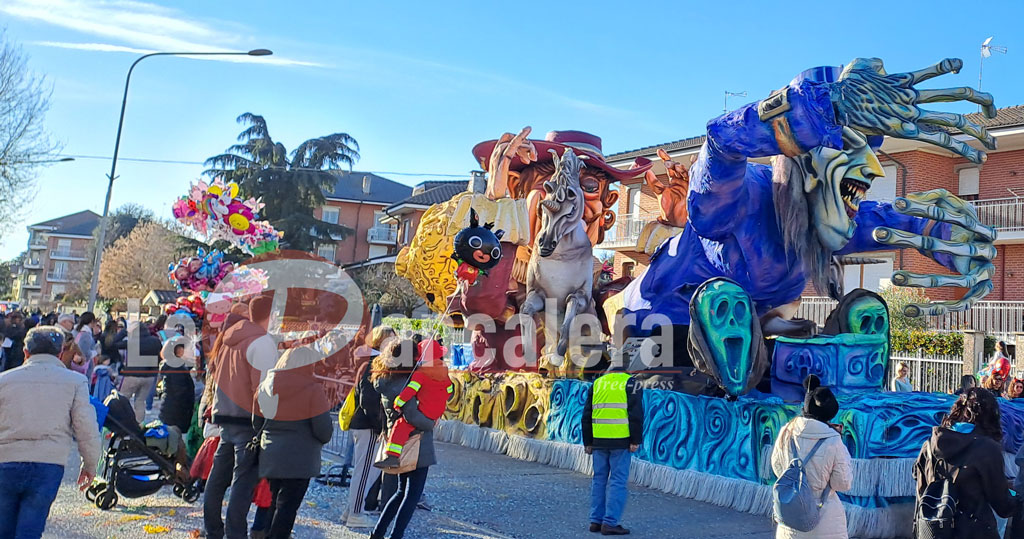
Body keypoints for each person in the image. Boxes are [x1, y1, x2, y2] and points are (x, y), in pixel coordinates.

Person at [0, 326, 101, 538]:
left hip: (6, 459)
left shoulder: (4, 380)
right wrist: (90, 464)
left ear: (25, 352)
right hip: (49, 462)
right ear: (60, 353)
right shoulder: (75, 382)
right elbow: (86, 426)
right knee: (31, 525)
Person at [204, 295, 277, 539]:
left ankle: (213, 529)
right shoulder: (260, 342)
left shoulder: (227, 340)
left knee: (218, 478)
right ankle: (235, 534)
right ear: (270, 315)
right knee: (242, 483)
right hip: (248, 420)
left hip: (224, 415)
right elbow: (262, 389)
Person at [913, 387, 1020, 538]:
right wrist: (1017, 496)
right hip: (974, 531)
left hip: (933, 531)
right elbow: (1003, 506)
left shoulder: (930, 445)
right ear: (990, 416)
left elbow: (921, 488)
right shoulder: (987, 449)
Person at [254, 346, 333, 538]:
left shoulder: (265, 385)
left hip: (271, 453)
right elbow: (323, 430)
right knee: (288, 507)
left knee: (272, 502)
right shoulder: (313, 389)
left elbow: (256, 423)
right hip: (301, 456)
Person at [370, 339, 438, 539]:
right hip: (416, 442)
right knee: (412, 495)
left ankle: (378, 533)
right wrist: (430, 422)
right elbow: (413, 415)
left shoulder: (387, 379)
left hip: (400, 442)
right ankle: (395, 535)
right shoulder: (404, 384)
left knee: (401, 492)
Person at [770, 375, 852, 539]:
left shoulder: (787, 431)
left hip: (791, 515)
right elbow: (842, 483)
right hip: (824, 518)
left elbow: (777, 467)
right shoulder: (833, 440)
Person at [582, 364, 644, 536]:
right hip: (621, 442)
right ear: (626, 371)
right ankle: (609, 523)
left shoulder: (597, 383)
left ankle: (596, 521)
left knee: (599, 480)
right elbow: (636, 414)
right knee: (617, 481)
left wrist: (588, 441)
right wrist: (635, 440)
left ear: (608, 371)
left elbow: (586, 415)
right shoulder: (631, 383)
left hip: (599, 441)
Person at [344, 325, 395, 529]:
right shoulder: (373, 363)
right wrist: (379, 425)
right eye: (389, 340)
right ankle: (355, 513)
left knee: (366, 471)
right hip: (368, 425)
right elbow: (369, 399)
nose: (393, 343)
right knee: (365, 471)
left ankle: (352, 510)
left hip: (366, 424)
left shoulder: (371, 361)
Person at [375, 339, 452, 469]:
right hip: (437, 409)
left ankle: (392, 456)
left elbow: (410, 391)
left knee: (400, 426)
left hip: (423, 411)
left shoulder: (419, 374)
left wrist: (399, 402)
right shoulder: (443, 371)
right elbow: (449, 390)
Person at [117, 321, 162, 423]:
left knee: (122, 399)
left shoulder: (133, 342)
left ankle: (121, 423)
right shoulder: (155, 341)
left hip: (132, 375)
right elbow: (160, 355)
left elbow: (113, 344)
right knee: (140, 401)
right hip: (149, 376)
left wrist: (124, 332)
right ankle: (139, 424)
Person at [159, 337, 196, 438]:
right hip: (175, 413)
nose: (192, 352)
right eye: (189, 349)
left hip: (173, 411)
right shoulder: (176, 368)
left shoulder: (177, 366)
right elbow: (180, 392)